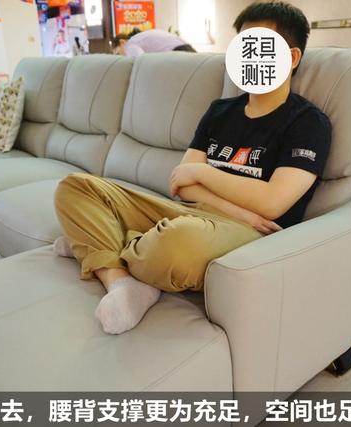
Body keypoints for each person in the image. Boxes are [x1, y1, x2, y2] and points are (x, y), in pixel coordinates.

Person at [54, 1, 331, 335]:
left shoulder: (308, 123)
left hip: (246, 235)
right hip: (193, 212)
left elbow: (272, 202)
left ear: (292, 57)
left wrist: (202, 173)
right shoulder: (220, 111)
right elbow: (180, 185)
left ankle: (96, 242)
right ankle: (121, 281)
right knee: (75, 187)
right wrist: (240, 208)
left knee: (177, 244)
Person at [113, 28, 196, 57]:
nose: (120, 57)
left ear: (122, 42)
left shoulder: (130, 45)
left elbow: (141, 63)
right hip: (185, 48)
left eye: (118, 53)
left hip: (178, 52)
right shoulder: (139, 38)